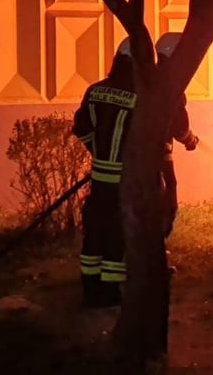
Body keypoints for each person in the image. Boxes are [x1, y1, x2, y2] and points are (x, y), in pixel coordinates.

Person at [72, 38, 137, 308]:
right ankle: (110, 294)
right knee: (116, 235)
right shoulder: (140, 95)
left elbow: (82, 128)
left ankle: (90, 291)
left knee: (95, 232)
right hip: (125, 180)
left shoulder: (95, 90)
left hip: (100, 176)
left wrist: (99, 154)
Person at [154, 31, 200, 239]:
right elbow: (179, 127)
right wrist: (190, 140)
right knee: (167, 194)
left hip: (136, 152)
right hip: (159, 153)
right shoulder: (172, 86)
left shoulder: (148, 77)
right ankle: (158, 246)